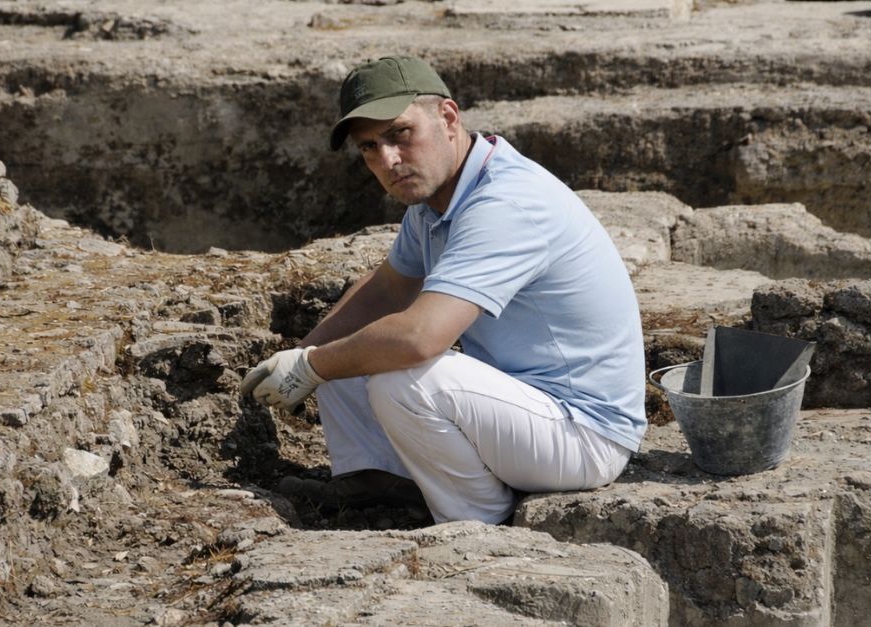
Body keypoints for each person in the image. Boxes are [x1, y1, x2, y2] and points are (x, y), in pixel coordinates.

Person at [241, 55, 645, 524]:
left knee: (404, 377)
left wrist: (311, 368)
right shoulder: (438, 197)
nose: (387, 160)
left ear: (448, 118)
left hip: (585, 434)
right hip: (526, 407)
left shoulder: (506, 203)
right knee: (347, 340)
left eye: (399, 134)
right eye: (369, 147)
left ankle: (476, 522)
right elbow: (388, 290)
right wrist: (303, 354)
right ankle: (381, 480)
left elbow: (420, 339)